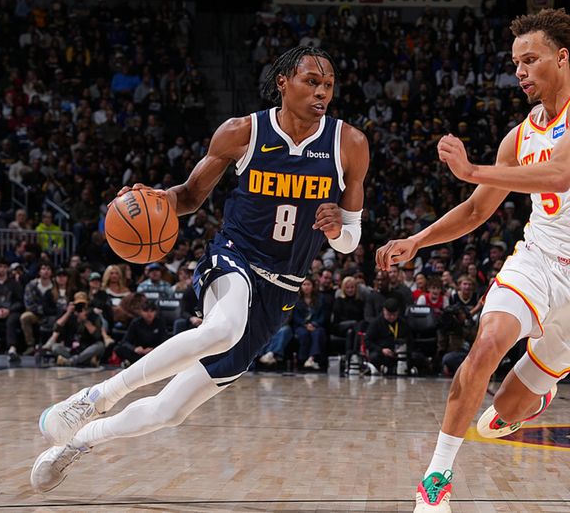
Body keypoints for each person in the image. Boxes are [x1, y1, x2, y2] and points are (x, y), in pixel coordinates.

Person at [31, 45, 369, 492]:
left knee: (169, 412)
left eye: (328, 84)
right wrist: (156, 199)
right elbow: (189, 196)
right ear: (283, 82)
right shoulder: (242, 132)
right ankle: (95, 397)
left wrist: (336, 229)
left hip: (283, 287)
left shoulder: (349, 143)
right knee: (223, 328)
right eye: (312, 82)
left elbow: (350, 239)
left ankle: (77, 442)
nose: (321, 92)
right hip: (235, 256)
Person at [376, 9, 570, 512]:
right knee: (487, 343)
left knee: (506, 409)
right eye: (516, 62)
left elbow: (560, 173)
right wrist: (418, 240)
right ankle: (436, 479)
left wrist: (472, 169)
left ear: (561, 58)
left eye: (530, 60)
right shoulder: (518, 137)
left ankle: (531, 398)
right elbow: (476, 210)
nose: (519, 71)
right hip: (537, 258)